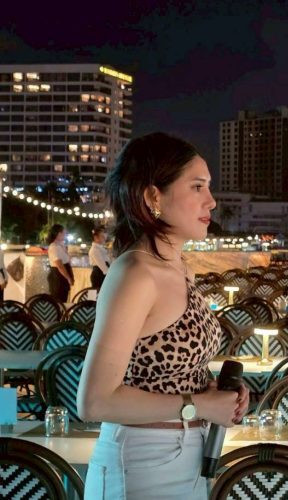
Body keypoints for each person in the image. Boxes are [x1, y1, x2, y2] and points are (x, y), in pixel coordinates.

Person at [77, 132, 249, 500]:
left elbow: (169, 374)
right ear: (154, 196)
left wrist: (215, 395)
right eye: (197, 186)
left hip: (189, 457)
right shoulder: (136, 273)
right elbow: (94, 401)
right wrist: (198, 405)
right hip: (140, 463)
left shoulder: (179, 268)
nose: (211, 201)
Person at [46, 224, 74, 302]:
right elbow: (59, 265)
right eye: (64, 233)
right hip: (58, 278)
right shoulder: (54, 247)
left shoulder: (61, 245)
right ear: (59, 234)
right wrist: (68, 278)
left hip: (62, 277)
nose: (65, 235)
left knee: (63, 299)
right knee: (59, 301)